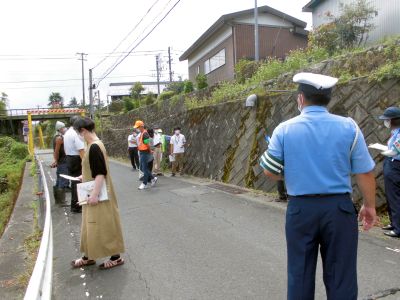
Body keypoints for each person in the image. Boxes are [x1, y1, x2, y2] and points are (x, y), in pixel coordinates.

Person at [259, 72, 376, 300]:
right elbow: (365, 171)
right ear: (328, 99)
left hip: (301, 210)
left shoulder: (284, 129)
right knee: (341, 275)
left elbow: (269, 171)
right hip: (339, 209)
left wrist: (292, 174)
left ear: (300, 99)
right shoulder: (349, 127)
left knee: (299, 273)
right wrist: (369, 206)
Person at [70, 117, 125, 270]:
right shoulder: (94, 145)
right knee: (91, 224)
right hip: (96, 190)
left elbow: (100, 173)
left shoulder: (94, 146)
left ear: (83, 130)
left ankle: (116, 257)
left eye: (77, 132)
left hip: (98, 193)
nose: (78, 135)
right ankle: (89, 256)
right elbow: (94, 169)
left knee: (105, 223)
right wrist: (84, 176)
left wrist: (94, 195)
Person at [379, 107, 400, 238]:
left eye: (387, 120)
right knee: (390, 196)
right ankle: (394, 223)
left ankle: (398, 228)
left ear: (394, 120)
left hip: (396, 165)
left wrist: (382, 150)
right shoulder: (395, 131)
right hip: (391, 164)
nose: (385, 122)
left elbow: (395, 151)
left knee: (395, 197)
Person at [64, 116, 85, 213]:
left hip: (69, 158)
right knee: (79, 182)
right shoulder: (75, 134)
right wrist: (86, 163)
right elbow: (81, 150)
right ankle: (77, 206)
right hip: (76, 159)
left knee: (74, 183)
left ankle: (74, 205)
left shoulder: (67, 133)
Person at [134, 120, 157, 190]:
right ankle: (153, 178)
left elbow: (147, 144)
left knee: (144, 168)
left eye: (138, 127)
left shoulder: (145, 134)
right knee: (144, 168)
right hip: (142, 152)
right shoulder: (142, 133)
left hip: (145, 152)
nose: (137, 129)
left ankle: (144, 183)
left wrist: (150, 151)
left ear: (141, 126)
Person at [51, 121, 69, 205]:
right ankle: (62, 201)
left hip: (60, 162)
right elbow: (57, 151)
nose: (65, 129)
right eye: (63, 128)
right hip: (63, 162)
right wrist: (56, 160)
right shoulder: (59, 138)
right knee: (63, 180)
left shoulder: (56, 137)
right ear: (60, 129)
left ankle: (58, 201)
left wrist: (56, 161)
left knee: (59, 180)